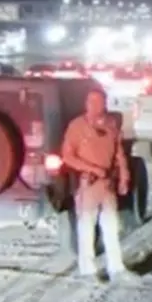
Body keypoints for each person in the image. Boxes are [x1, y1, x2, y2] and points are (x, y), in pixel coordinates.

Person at [60, 87, 133, 282]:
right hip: (88, 184)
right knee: (86, 227)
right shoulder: (76, 126)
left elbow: (118, 152)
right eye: (91, 102)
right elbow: (68, 156)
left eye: (99, 102)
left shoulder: (111, 124)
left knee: (111, 226)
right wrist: (92, 169)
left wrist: (124, 175)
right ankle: (88, 271)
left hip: (107, 184)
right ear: (86, 104)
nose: (95, 106)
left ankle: (116, 268)